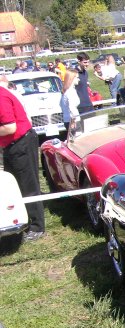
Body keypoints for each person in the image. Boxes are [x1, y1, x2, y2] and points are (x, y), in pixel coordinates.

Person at [0, 82, 45, 241]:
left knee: (28, 185)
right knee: (15, 186)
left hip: (21, 143)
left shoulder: (1, 96)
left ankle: (37, 226)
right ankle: (23, 218)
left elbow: (10, 127)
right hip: (12, 145)